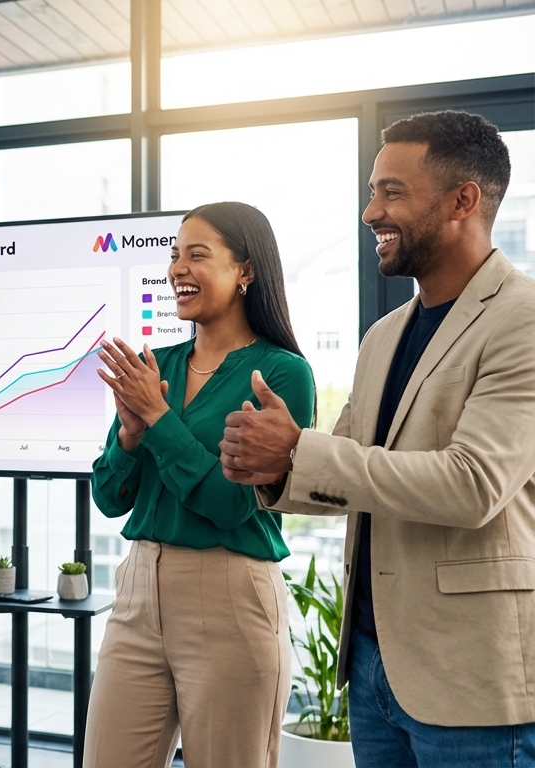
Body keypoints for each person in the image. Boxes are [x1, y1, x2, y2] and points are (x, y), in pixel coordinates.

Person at [221, 111, 535, 766]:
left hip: (474, 683)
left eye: (391, 191)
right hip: (372, 669)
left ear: (462, 201)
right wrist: (270, 466)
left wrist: (296, 451)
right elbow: (342, 474)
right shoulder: (383, 336)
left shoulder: (521, 318)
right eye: (371, 191)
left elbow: (473, 484)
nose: (370, 212)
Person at [84, 202, 315, 767]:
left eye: (197, 255)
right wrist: (133, 436)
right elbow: (110, 497)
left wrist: (159, 422)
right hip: (139, 588)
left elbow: (231, 504)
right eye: (173, 255)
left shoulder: (281, 373)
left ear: (245, 271)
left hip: (230, 595)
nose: (176, 269)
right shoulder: (155, 365)